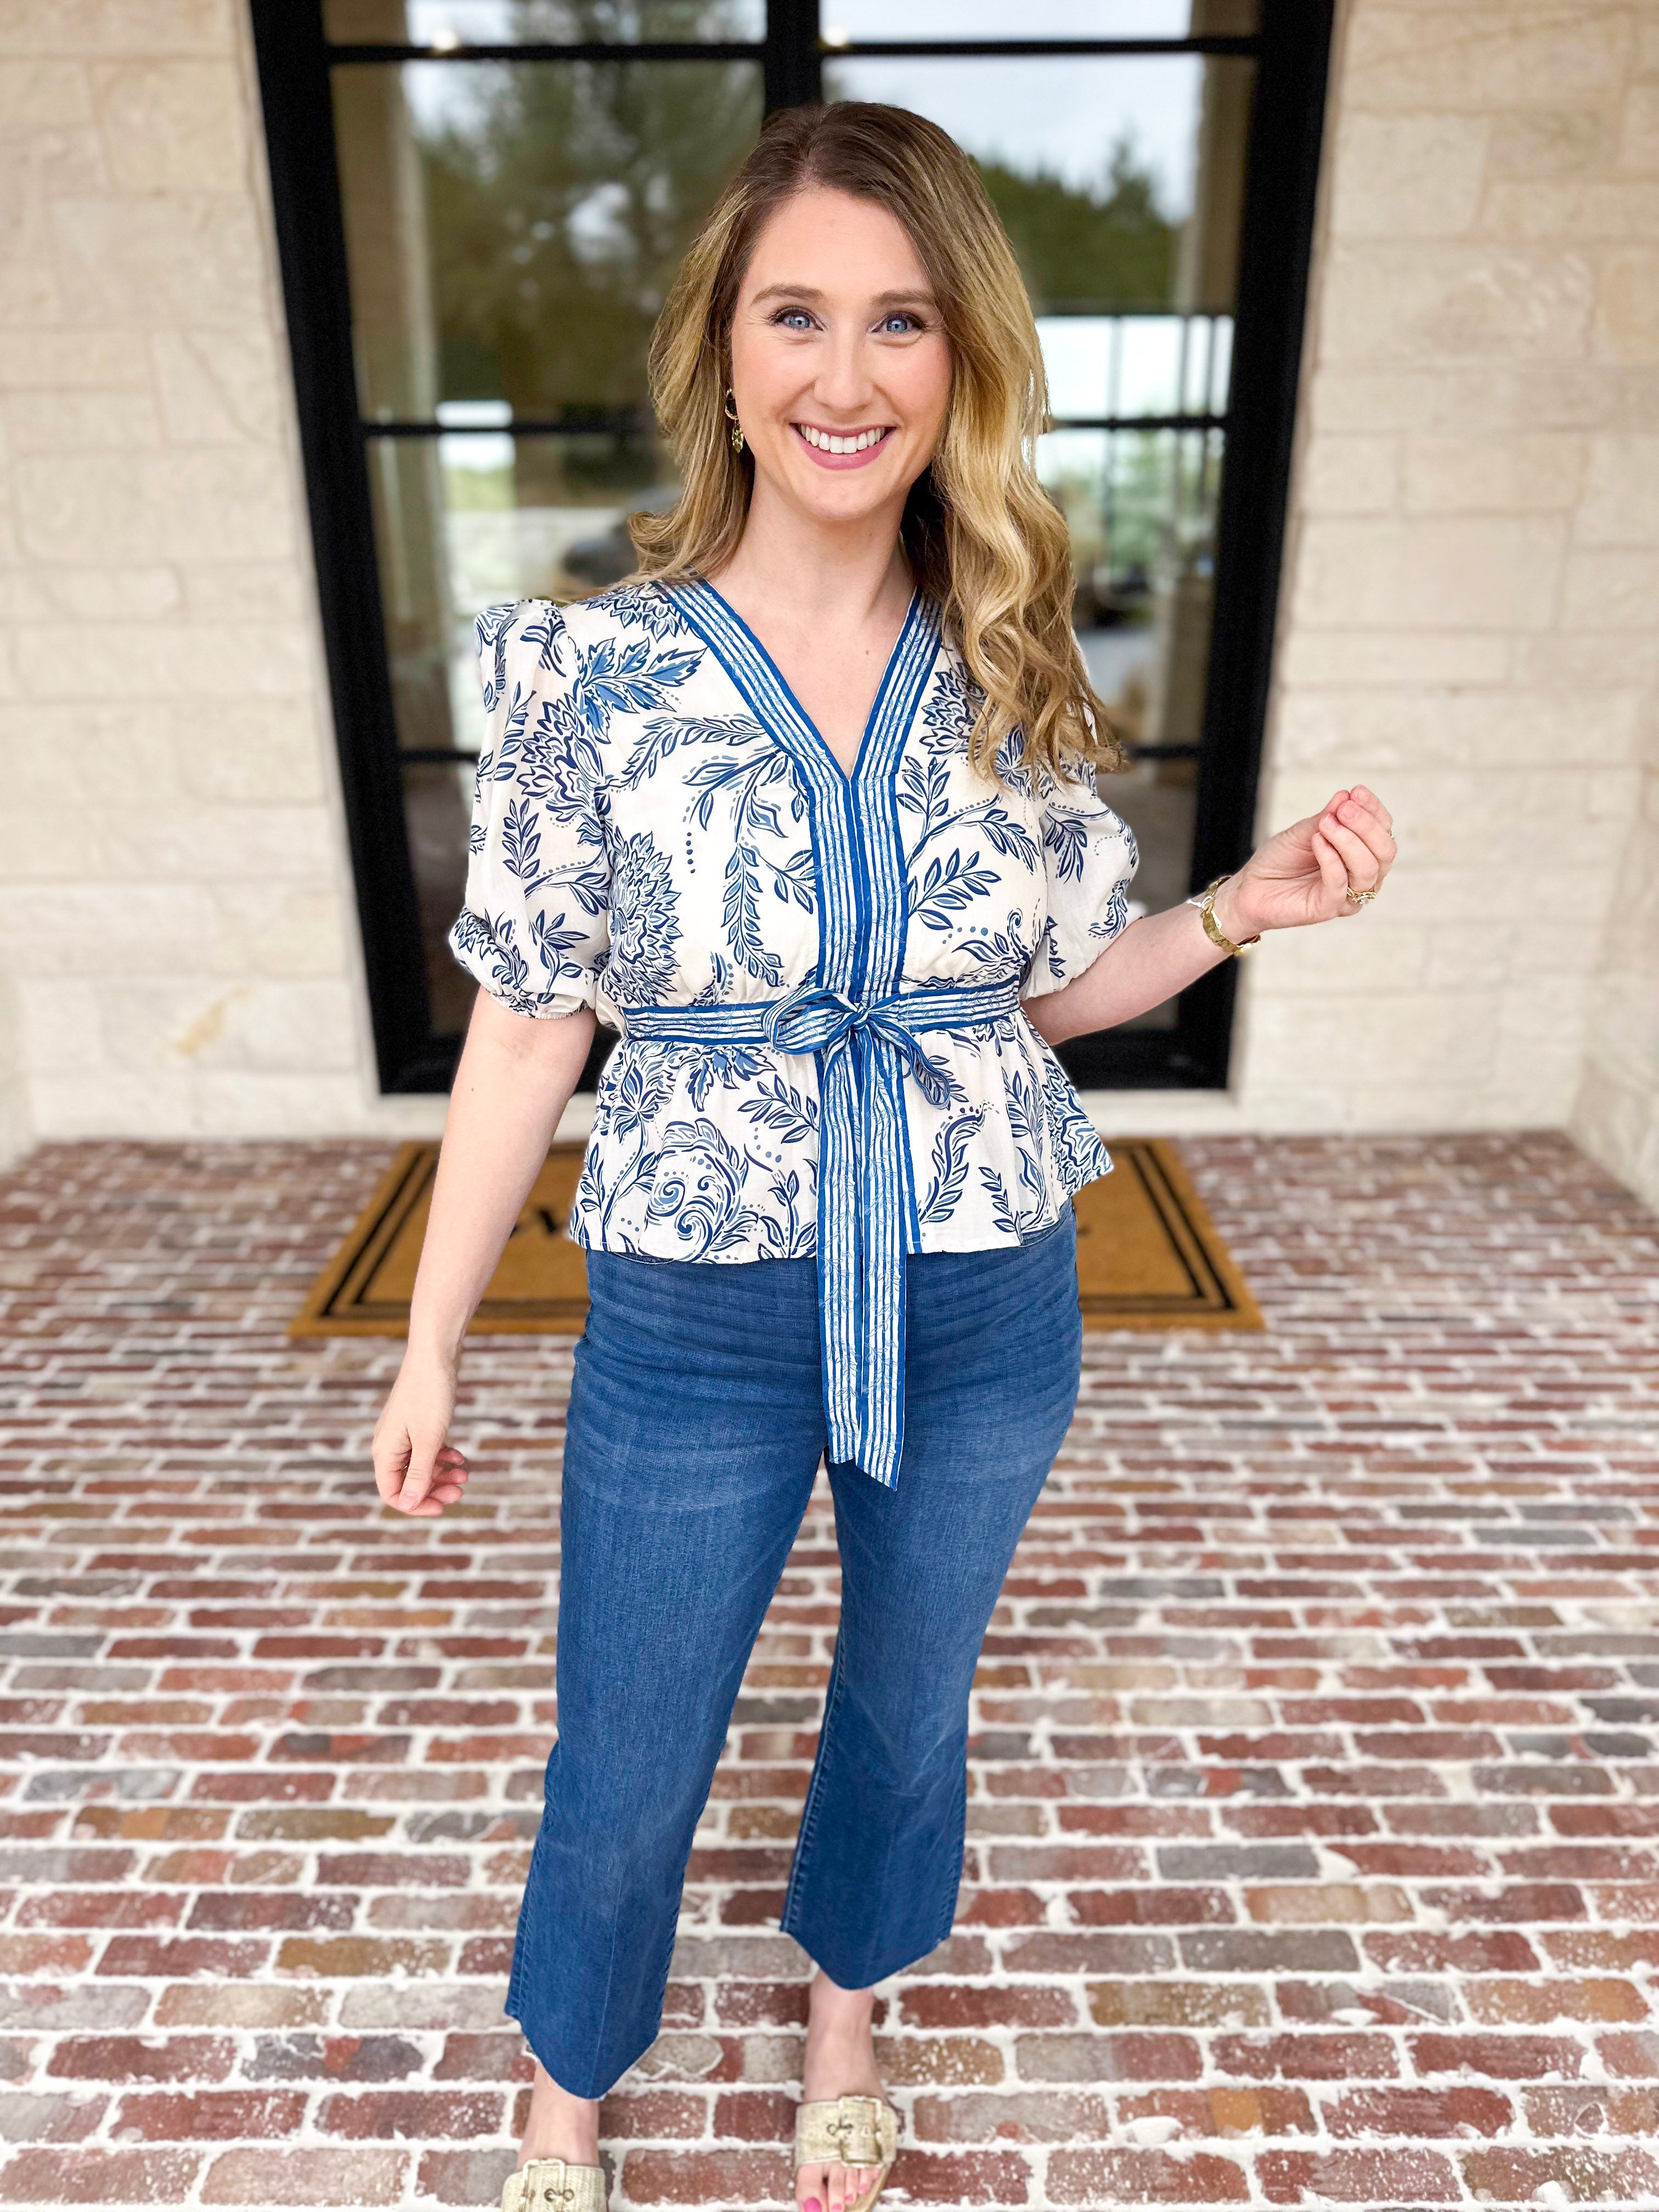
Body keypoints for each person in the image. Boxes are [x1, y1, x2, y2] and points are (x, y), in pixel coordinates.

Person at [370, 101, 1396, 2212]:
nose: (846, 376)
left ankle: (846, 2009)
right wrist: (433, 1337)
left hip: (985, 1286)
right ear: (723, 349)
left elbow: (1041, 997)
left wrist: (1237, 911)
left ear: (961, 359)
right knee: (629, 1739)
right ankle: (570, 2083)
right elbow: (534, 1019)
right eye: (797, 316)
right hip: (696, 1303)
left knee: (910, 1704)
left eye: (902, 321)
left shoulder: (1013, 648)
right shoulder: (591, 672)